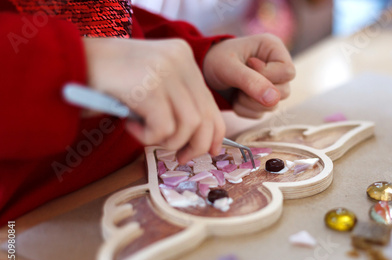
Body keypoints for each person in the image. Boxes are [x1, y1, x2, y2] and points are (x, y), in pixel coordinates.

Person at [0, 0, 295, 225]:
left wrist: (199, 63)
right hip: (28, 237)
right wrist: (83, 62)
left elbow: (107, 19)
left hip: (129, 188)